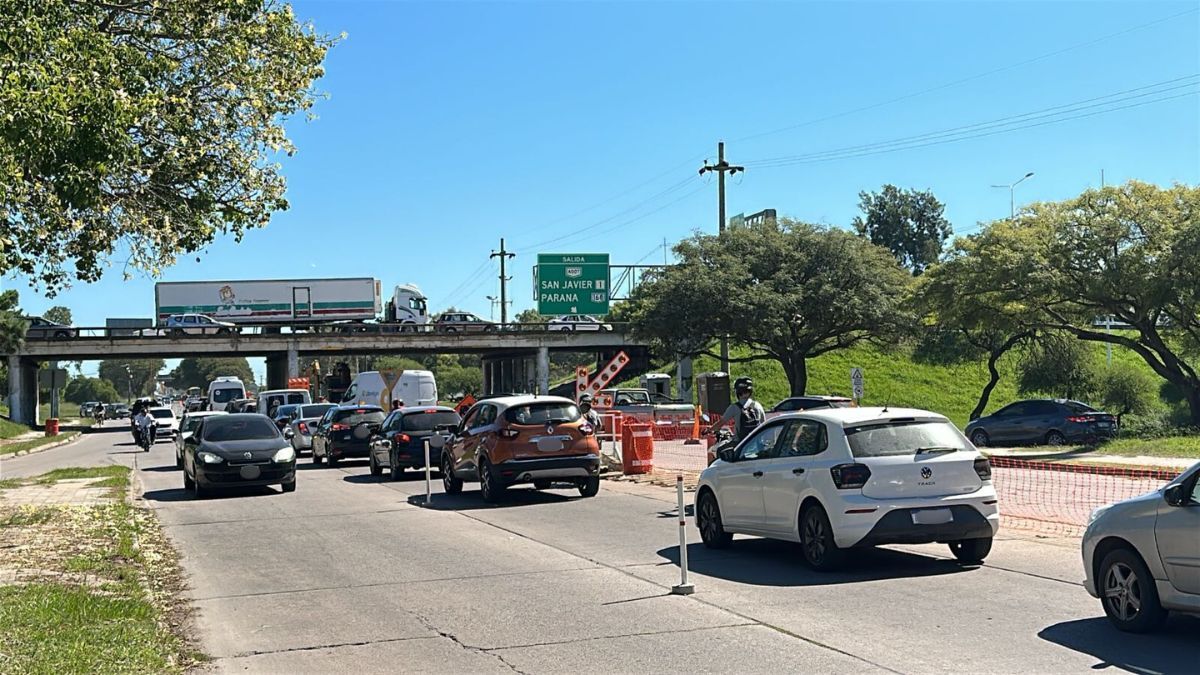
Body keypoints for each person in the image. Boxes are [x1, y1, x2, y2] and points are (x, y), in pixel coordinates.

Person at [708, 377, 765, 444]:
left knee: (720, 449)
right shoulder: (758, 405)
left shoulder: (734, 407)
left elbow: (721, 422)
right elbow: (763, 423)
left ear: (738, 392)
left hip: (740, 444)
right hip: (757, 444)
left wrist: (709, 430)